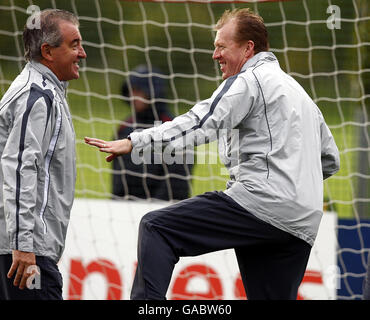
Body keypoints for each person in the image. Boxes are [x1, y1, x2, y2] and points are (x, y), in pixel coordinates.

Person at [85, 8, 340, 300]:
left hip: (262, 203)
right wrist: (295, 182)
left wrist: (135, 141)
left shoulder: (250, 80)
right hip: (302, 221)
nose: (214, 55)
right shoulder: (301, 95)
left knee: (156, 228)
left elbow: (201, 122)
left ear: (248, 48)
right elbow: (330, 158)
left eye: (221, 47)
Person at [0, 9, 86, 299]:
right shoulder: (36, 95)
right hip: (22, 254)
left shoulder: (47, 91)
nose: (82, 53)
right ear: (48, 52)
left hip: (20, 249)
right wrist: (24, 245)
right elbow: (19, 168)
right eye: (74, 44)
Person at [112, 65, 192, 201]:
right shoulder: (125, 128)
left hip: (161, 211)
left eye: (138, 91)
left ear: (153, 92)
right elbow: (118, 179)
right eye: (131, 91)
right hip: (126, 208)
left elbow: (177, 184)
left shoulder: (175, 130)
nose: (133, 96)